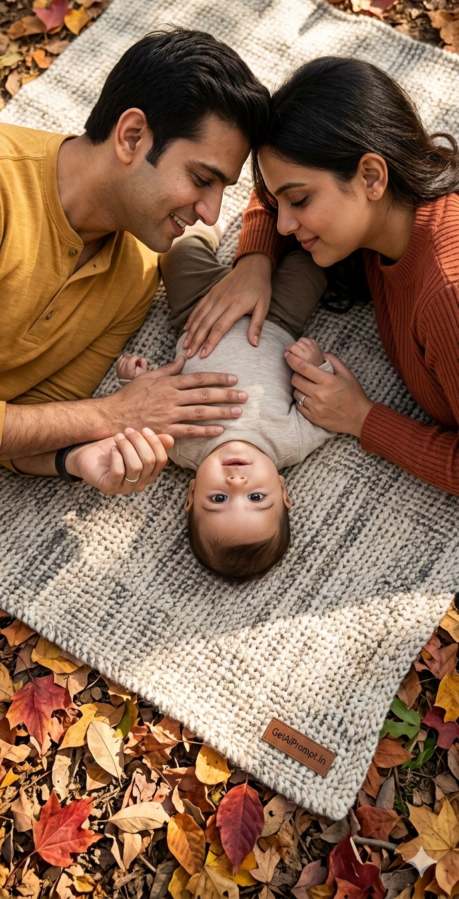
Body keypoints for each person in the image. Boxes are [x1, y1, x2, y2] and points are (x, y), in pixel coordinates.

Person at [0, 28, 270, 494]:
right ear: (132, 136)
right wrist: (113, 413)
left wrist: (78, 456)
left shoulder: (138, 273)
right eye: (202, 178)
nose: (210, 212)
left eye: (222, 190)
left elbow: (39, 414)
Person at [182, 57, 459, 497]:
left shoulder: (447, 296)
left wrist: (363, 418)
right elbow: (267, 196)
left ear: (371, 176)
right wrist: (255, 260)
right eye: (283, 201)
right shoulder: (399, 211)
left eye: (300, 201)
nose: (284, 225)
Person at [115, 224, 334, 580]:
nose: (236, 484)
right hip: (276, 319)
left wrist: (132, 381)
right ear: (282, 490)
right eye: (257, 498)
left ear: (190, 495)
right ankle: (283, 235)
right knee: (316, 265)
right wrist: (316, 364)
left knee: (175, 253)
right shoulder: (290, 443)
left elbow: (140, 415)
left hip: (198, 313)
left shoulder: (177, 448)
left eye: (217, 500)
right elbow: (326, 412)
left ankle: (204, 232)